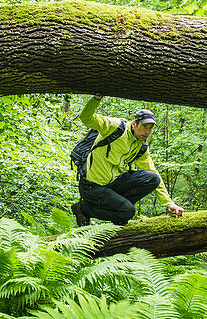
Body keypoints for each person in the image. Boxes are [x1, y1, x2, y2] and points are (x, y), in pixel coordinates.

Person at [71, 95, 184, 227]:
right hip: (91, 186)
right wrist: (96, 98)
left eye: (150, 128)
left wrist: (169, 203)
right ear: (135, 124)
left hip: (112, 184)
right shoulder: (114, 127)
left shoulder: (140, 146)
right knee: (128, 212)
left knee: (153, 178)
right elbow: (86, 117)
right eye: (144, 126)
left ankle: (119, 209)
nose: (147, 132)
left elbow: (152, 171)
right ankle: (83, 209)